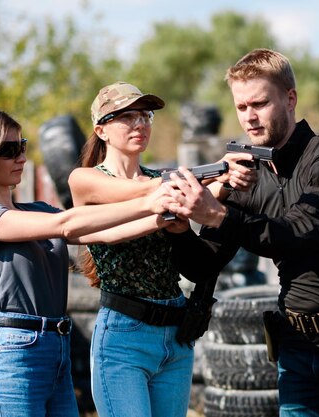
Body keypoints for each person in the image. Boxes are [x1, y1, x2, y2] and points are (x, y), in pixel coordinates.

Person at [163, 48, 319, 417]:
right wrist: (180, 228)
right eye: (241, 107)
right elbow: (201, 265)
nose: (250, 117)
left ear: (290, 99)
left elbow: (297, 234)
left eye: (259, 103)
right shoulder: (247, 173)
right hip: (296, 349)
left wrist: (218, 213)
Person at [0, 106, 173, 417]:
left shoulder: (36, 208)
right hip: (14, 350)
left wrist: (165, 215)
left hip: (56, 348)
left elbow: (106, 233)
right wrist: (149, 199)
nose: (21, 157)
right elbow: (67, 225)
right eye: (9, 150)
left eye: (22, 146)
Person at [67, 81, 255, 417]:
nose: (140, 124)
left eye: (145, 116)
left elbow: (196, 197)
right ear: (102, 130)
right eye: (127, 117)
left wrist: (228, 180)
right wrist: (215, 169)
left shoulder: (161, 178)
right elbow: (150, 191)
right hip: (125, 336)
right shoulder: (85, 179)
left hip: (176, 334)